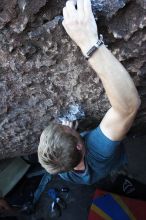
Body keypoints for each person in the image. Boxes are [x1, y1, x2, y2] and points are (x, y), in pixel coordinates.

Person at [38, 0, 141, 185]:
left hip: (97, 172)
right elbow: (127, 108)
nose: (67, 125)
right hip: (113, 159)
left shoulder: (63, 171)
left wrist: (70, 134)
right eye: (67, 129)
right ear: (79, 145)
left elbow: (63, 156)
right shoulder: (98, 149)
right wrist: (88, 42)